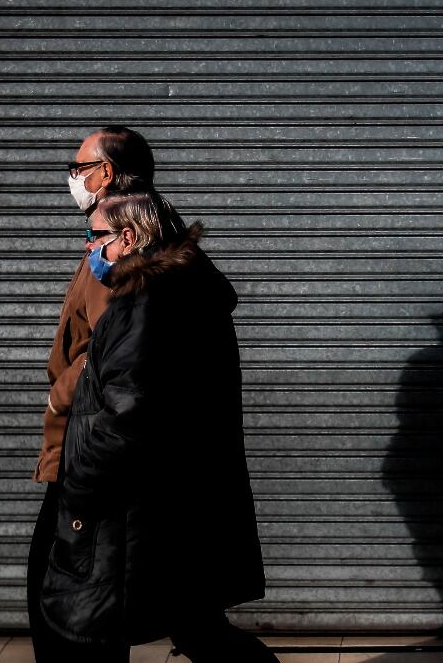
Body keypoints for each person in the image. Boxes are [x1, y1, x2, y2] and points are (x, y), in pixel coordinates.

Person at [38, 192, 275, 663]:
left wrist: (78, 480)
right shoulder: (180, 290)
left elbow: (128, 412)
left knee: (87, 627)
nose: (88, 247)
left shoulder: (143, 302)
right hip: (177, 499)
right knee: (197, 628)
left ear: (127, 239)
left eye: (95, 236)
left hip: (138, 505)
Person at [28, 126, 163, 662]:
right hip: (84, 444)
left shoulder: (125, 241)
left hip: (86, 449)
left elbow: (114, 355)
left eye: (79, 167)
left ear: (106, 172)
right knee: (85, 600)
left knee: (68, 606)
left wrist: (60, 399)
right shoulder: (116, 233)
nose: (73, 177)